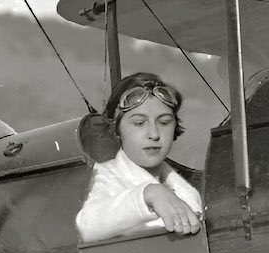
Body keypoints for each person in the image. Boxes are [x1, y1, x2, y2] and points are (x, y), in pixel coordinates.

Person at [75, 72, 203, 242]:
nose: (154, 134)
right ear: (117, 129)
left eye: (164, 122)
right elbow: (87, 226)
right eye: (139, 123)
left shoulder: (186, 188)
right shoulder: (103, 176)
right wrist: (147, 195)